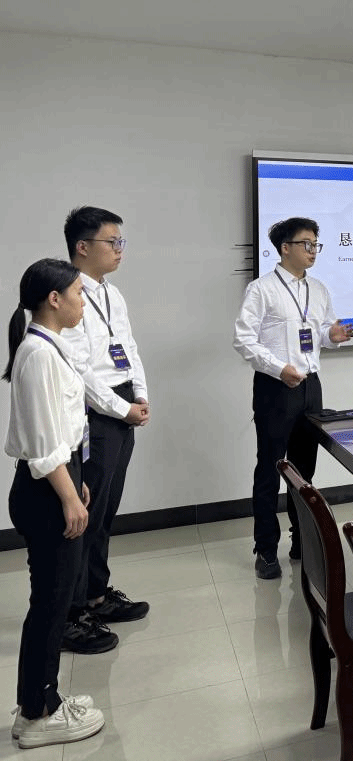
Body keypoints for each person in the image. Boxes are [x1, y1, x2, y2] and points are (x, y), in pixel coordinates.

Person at [5, 258, 107, 748]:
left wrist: (76, 482)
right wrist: (69, 495)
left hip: (57, 482)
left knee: (51, 600)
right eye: (78, 293)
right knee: (50, 604)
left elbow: (60, 432)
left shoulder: (49, 346)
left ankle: (38, 700)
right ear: (54, 299)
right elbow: (44, 446)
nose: (82, 301)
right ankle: (38, 714)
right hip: (46, 492)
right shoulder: (38, 354)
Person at [234, 217, 353, 579]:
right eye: (306, 244)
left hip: (310, 387)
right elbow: (243, 339)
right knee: (270, 469)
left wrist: (332, 336)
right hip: (275, 388)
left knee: (305, 473)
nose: (313, 250)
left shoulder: (318, 289)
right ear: (285, 248)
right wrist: (278, 368)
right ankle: (265, 550)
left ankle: (301, 540)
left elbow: (320, 333)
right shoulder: (262, 289)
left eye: (316, 244)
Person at [60, 206, 150, 656]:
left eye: (121, 242)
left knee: (107, 508)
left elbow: (128, 347)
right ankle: (71, 612)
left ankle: (96, 594)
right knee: (87, 514)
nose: (119, 250)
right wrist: (120, 408)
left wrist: (140, 395)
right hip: (97, 415)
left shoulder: (112, 293)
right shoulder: (67, 295)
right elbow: (81, 371)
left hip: (123, 405)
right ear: (82, 246)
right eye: (112, 242)